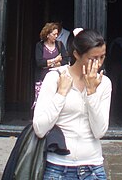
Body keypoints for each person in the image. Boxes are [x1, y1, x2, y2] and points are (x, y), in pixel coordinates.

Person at [33, 29, 112, 179]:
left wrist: (91, 93)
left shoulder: (104, 83)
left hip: (92, 167)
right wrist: (61, 94)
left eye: (102, 57)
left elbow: (100, 131)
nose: (98, 63)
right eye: (93, 58)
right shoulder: (55, 78)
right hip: (57, 167)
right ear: (77, 54)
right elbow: (40, 128)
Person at [34, 22, 69, 107]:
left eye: (57, 34)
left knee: (55, 103)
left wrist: (48, 64)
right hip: (42, 79)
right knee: (41, 103)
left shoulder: (59, 45)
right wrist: (55, 60)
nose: (56, 36)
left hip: (57, 79)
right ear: (47, 35)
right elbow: (39, 62)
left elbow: (65, 60)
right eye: (54, 34)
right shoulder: (39, 46)